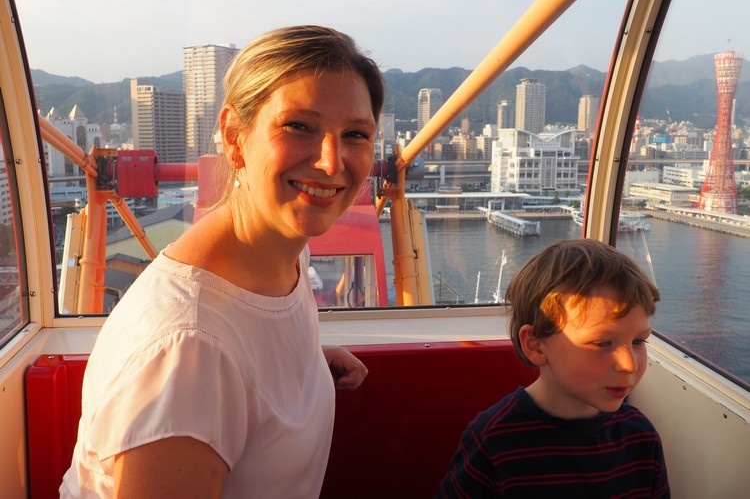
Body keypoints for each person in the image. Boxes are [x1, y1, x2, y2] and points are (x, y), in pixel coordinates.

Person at [60, 25, 384, 497]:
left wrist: (304, 365)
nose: (333, 163)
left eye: (355, 134)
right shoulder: (189, 350)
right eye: (299, 126)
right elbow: (207, 357)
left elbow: (246, 340)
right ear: (234, 137)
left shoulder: (283, 247)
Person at [437, 239, 670, 498]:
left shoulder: (640, 437)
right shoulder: (495, 441)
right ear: (536, 346)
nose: (629, 364)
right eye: (602, 343)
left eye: (638, 341)